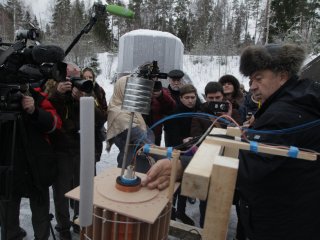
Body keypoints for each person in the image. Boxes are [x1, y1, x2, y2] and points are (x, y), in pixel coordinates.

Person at [143, 43, 320, 240]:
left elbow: (249, 164)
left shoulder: (286, 113)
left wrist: (183, 165)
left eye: (259, 78)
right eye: (251, 79)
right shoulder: (296, 101)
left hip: (284, 224)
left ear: (283, 74)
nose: (252, 86)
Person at [0, 86, 62, 240]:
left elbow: (54, 124)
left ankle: (41, 237)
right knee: (8, 210)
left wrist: (35, 111)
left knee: (40, 211)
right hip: (7, 163)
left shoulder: (36, 94)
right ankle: (11, 235)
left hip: (36, 165)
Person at [106, 73, 156, 174]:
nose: (134, 94)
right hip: (131, 165)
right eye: (129, 90)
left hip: (139, 162)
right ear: (120, 90)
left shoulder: (131, 111)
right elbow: (142, 139)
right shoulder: (119, 114)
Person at [165, 84, 199, 226]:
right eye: (187, 98)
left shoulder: (199, 110)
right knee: (174, 181)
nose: (190, 100)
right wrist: (181, 141)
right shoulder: (175, 112)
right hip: (177, 150)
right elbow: (169, 132)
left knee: (186, 181)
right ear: (181, 98)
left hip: (194, 151)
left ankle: (181, 211)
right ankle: (170, 210)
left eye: (193, 97)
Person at [81, 67, 108, 164]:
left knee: (92, 163)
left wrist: (91, 100)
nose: (88, 80)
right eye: (85, 77)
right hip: (81, 133)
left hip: (96, 132)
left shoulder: (99, 90)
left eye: (90, 77)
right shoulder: (76, 90)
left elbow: (105, 114)